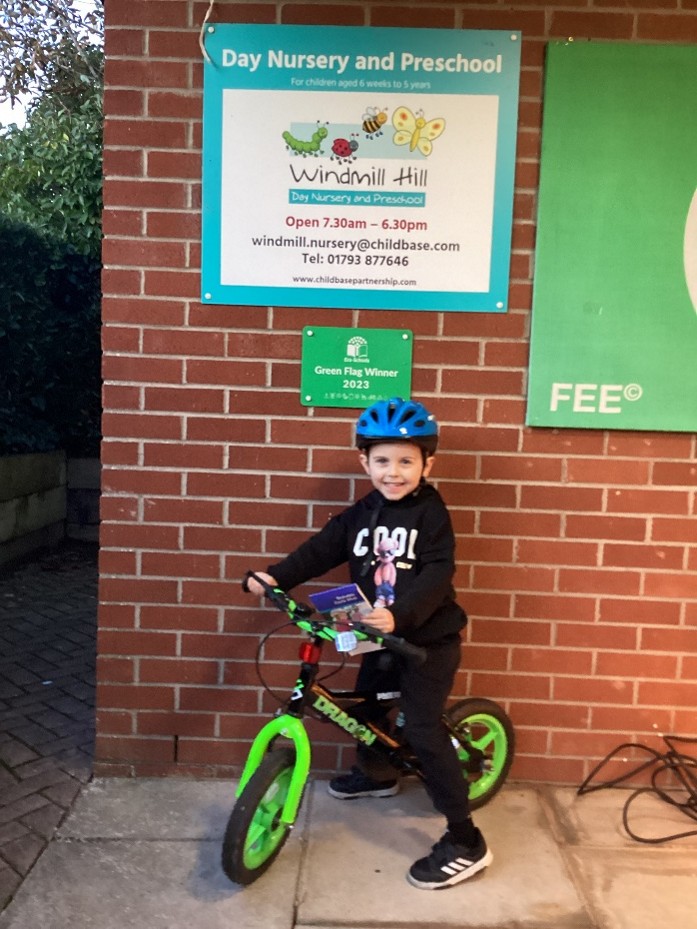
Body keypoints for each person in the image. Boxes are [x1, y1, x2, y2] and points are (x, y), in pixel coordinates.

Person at [246, 397, 491, 889]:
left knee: (421, 728)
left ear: (427, 465)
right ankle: (378, 774)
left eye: (406, 461)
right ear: (365, 462)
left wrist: (399, 615)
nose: (394, 472)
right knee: (368, 711)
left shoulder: (431, 514)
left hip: (427, 642)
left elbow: (438, 573)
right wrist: (275, 577)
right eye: (383, 460)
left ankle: (466, 840)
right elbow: (324, 547)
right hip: (375, 637)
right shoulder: (363, 511)